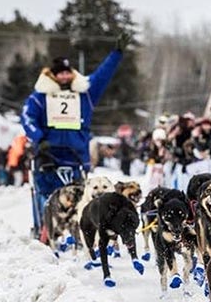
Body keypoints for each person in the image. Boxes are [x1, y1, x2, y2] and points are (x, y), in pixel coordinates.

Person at [21, 33, 130, 237]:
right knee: (47, 196)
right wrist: (38, 138)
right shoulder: (39, 97)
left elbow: (102, 75)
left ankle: (78, 235)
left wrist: (117, 53)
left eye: (67, 73)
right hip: (48, 154)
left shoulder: (85, 94)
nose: (64, 77)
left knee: (80, 197)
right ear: (52, 76)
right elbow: (27, 117)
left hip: (76, 155)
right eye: (59, 74)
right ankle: (46, 230)